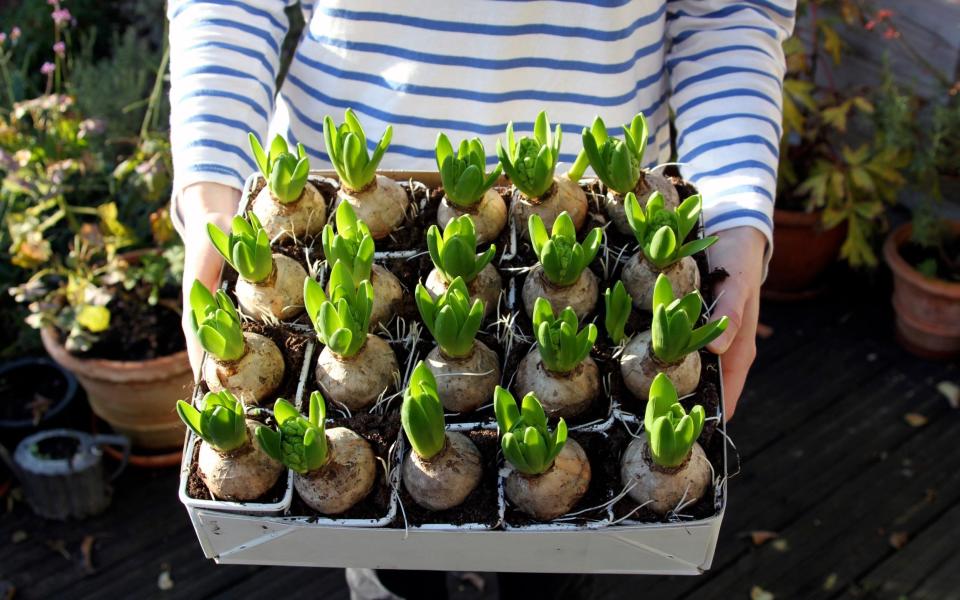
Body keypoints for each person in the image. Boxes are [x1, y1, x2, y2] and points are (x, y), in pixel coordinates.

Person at [168, 1, 795, 597]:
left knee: (558, 569)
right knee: (390, 570)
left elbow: (731, 14)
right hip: (329, 183)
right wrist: (209, 193)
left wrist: (736, 216)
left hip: (604, 193)